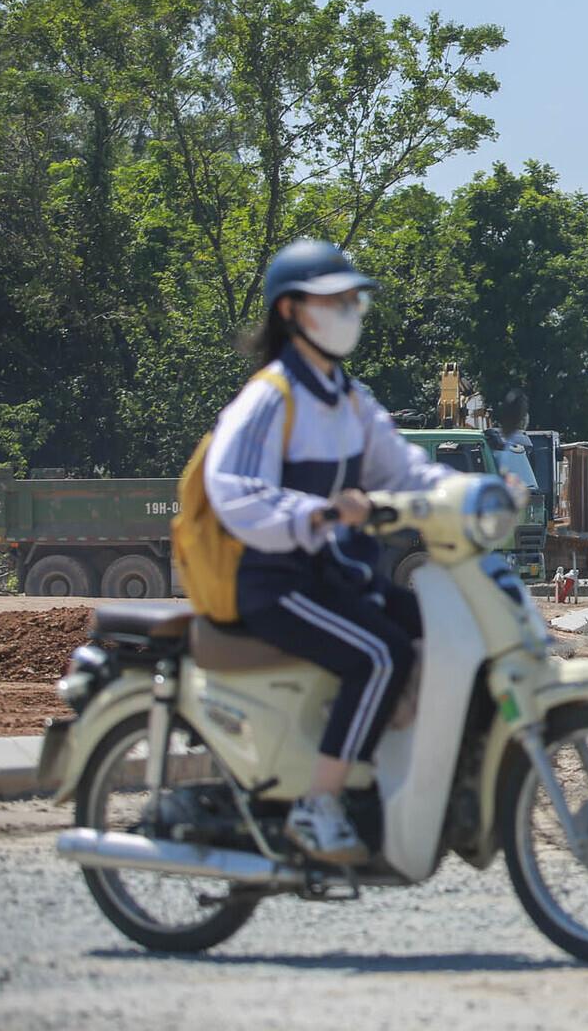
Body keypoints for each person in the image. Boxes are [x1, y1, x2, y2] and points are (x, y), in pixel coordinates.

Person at [203, 239, 457, 864]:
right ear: (291, 312)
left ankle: (396, 775)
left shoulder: (348, 398)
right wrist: (311, 512)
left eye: (353, 299)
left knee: (443, 626)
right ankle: (319, 806)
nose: (351, 310)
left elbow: (405, 470)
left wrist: (472, 492)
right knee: (380, 654)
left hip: (332, 576)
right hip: (275, 581)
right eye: (334, 300)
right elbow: (230, 487)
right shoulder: (271, 397)